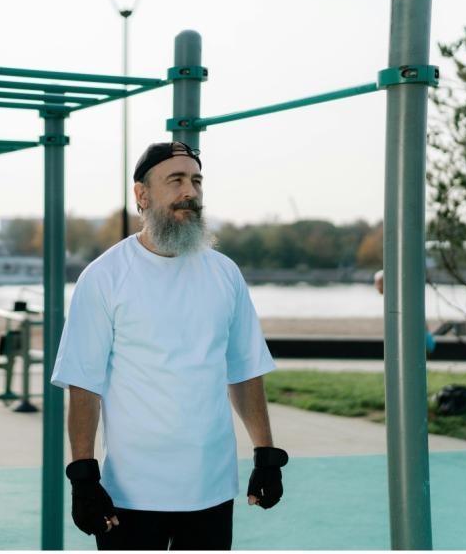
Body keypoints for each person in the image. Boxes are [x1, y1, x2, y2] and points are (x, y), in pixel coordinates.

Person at [50, 141, 288, 550]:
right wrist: (83, 476)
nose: (190, 192)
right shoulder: (104, 276)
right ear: (142, 195)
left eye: (196, 181)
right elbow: (83, 384)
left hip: (211, 487)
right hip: (131, 494)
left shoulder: (225, 273)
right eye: (175, 180)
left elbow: (245, 369)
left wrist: (266, 454)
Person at [373, 269, 436, 353]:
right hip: (421, 339)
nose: (376, 286)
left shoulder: (396, 299)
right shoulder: (399, 296)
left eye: (378, 283)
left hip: (419, 340)